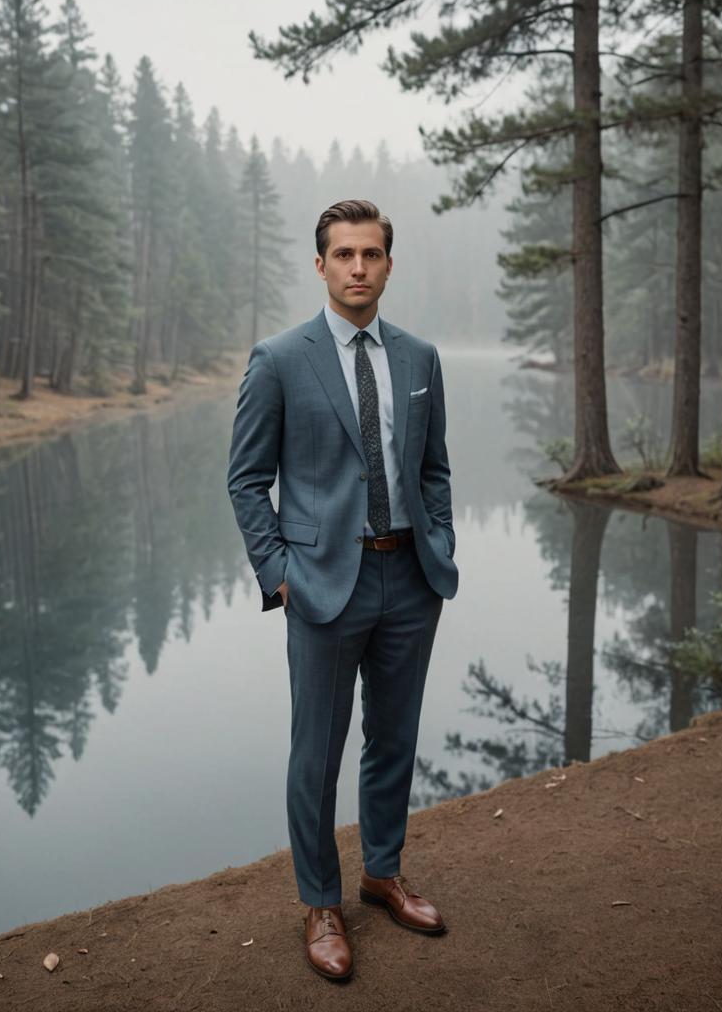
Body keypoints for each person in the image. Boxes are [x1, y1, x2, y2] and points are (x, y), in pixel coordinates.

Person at [227, 199, 458, 981]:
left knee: (393, 740)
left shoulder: (421, 359)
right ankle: (322, 902)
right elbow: (247, 481)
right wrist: (280, 574)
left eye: (371, 254)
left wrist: (441, 545)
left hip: (410, 580)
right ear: (320, 265)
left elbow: (435, 471)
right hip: (323, 584)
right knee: (315, 754)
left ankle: (382, 872)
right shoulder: (280, 359)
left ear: (389, 264)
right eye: (344, 255)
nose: (358, 267)